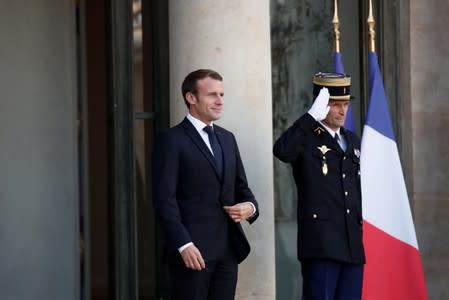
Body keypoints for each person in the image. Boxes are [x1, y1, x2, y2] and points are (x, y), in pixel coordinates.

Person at [152, 69, 259, 300]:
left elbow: (242, 188)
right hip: (193, 253)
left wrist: (250, 208)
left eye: (221, 94)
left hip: (228, 251)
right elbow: (164, 200)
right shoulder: (171, 140)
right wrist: (183, 245)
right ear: (191, 98)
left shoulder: (227, 138)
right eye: (212, 94)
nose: (220, 100)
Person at [273, 72, 365, 300]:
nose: (343, 111)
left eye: (345, 104)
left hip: (351, 242)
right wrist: (309, 117)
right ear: (321, 104)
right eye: (335, 105)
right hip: (321, 243)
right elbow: (282, 151)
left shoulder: (352, 139)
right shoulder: (306, 137)